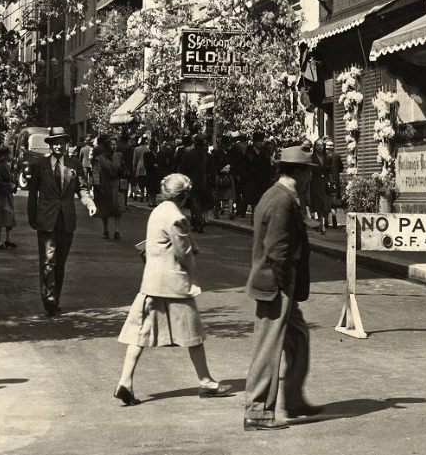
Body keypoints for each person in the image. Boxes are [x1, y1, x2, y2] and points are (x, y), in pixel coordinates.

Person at [114, 173, 232, 405]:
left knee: (140, 334)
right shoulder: (177, 217)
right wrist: (193, 272)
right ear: (184, 195)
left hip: (152, 282)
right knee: (193, 333)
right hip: (173, 284)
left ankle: (125, 381)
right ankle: (206, 381)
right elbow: (184, 253)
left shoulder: (158, 211)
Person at [244, 143, 318, 431]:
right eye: (309, 172)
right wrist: (285, 286)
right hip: (276, 285)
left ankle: (294, 400)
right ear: (298, 172)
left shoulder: (281, 196)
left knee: (298, 339)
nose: (311, 178)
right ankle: (257, 411)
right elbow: (276, 250)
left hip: (280, 284)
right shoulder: (281, 200)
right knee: (269, 348)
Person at [27, 129, 97, 316]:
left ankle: (55, 298)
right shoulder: (39, 165)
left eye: (62, 142)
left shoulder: (74, 165)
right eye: (55, 142)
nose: (58, 146)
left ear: (66, 144)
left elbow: (82, 188)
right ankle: (49, 300)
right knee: (48, 260)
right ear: (50, 145)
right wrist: (32, 217)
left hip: (66, 221)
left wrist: (89, 203)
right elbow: (32, 193)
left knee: (60, 263)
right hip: (46, 220)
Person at [94, 135, 124, 240]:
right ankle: (105, 230)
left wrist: (123, 172)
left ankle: (117, 231)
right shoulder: (100, 158)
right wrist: (96, 184)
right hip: (104, 186)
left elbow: (123, 169)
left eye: (115, 144)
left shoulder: (118, 156)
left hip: (116, 186)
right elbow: (96, 171)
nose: (114, 146)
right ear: (107, 146)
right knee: (105, 209)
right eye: (112, 144)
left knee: (117, 210)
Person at [180, 134, 210, 233]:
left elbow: (183, 169)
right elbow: (212, 170)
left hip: (192, 182)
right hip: (205, 182)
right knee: (200, 202)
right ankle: (197, 221)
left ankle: (197, 221)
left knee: (195, 203)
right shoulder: (207, 155)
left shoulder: (188, 154)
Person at [310, 139, 331, 235]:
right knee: (318, 203)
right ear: (315, 147)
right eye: (318, 145)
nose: (319, 147)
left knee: (323, 203)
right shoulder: (312, 157)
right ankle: (320, 224)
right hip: (315, 182)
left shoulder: (326, 157)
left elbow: (329, 170)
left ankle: (321, 222)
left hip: (324, 182)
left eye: (321, 145)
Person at [144, 138, 160, 208]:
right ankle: (150, 202)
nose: (157, 148)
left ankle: (154, 202)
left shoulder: (158, 154)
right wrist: (152, 165)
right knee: (150, 188)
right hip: (150, 173)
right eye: (156, 146)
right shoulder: (147, 154)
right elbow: (146, 164)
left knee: (155, 188)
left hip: (156, 173)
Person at [132, 135, 149, 202]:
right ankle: (147, 194)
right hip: (146, 166)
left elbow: (135, 159)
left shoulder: (137, 149)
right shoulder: (147, 148)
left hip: (140, 165)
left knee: (140, 181)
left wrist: (134, 166)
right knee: (146, 180)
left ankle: (142, 195)